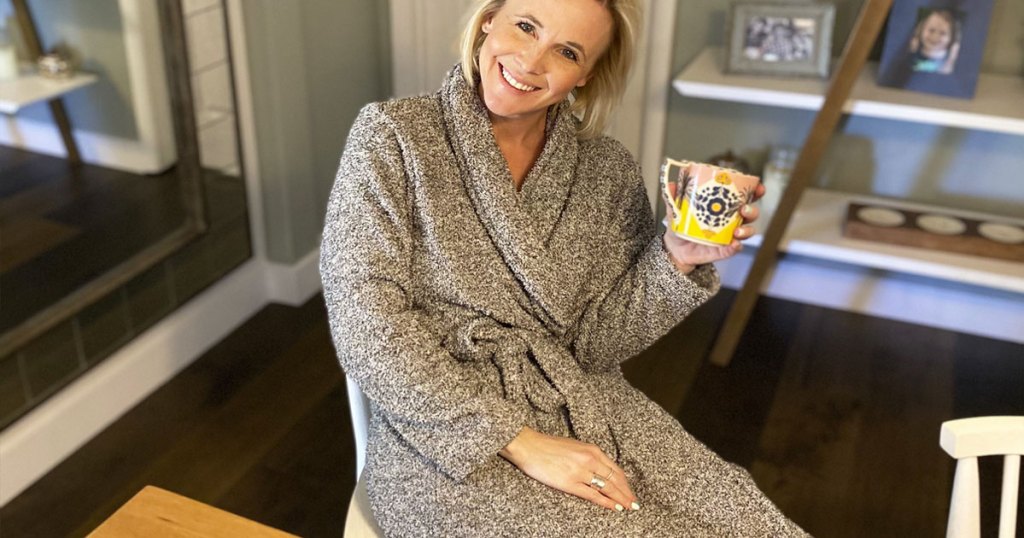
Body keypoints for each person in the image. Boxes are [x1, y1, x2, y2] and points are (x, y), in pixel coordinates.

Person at [320, 0, 808, 535]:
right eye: (525, 26)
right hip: (444, 437)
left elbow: (595, 346)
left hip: (579, 400)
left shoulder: (606, 170)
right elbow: (366, 325)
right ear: (489, 21)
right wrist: (519, 441)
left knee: (748, 521)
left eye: (566, 51)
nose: (531, 61)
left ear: (586, 74)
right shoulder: (392, 136)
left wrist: (677, 258)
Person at [908, 9, 960, 74]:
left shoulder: (949, 61)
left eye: (942, 33)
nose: (935, 36)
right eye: (931, 30)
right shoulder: (912, 54)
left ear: (951, 38)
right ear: (921, 30)